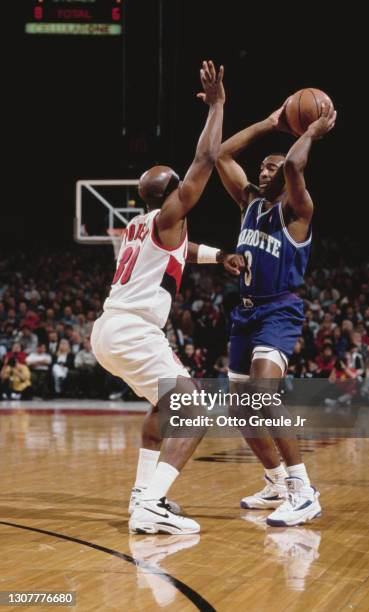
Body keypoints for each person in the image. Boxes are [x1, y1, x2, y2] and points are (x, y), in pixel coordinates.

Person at [92, 61, 236, 534]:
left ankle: (143, 494)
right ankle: (151, 504)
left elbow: (181, 252)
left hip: (111, 329)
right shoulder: (170, 215)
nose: (188, 190)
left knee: (162, 408)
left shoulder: (142, 225)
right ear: (173, 195)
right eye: (182, 188)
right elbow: (205, 161)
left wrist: (219, 257)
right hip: (134, 330)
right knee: (194, 411)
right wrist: (216, 106)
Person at [215, 96, 336, 526]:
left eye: (273, 168)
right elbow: (221, 154)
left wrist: (308, 133)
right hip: (245, 315)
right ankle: (276, 482)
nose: (265, 171)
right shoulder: (249, 204)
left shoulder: (297, 211)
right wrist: (269, 122)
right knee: (241, 408)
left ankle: (304, 491)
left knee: (263, 397)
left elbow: (295, 168)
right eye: (262, 167)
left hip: (279, 311)